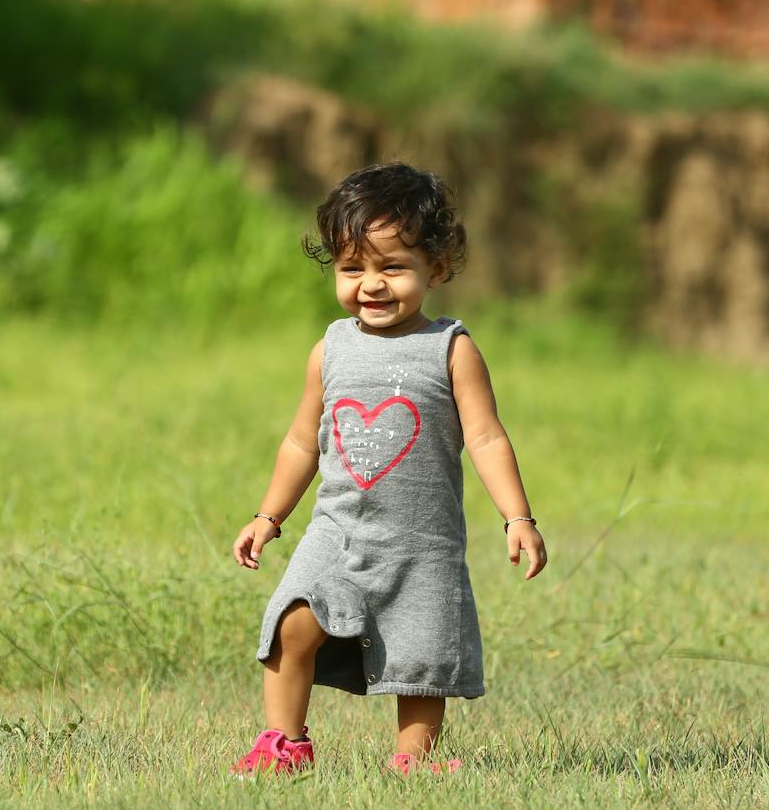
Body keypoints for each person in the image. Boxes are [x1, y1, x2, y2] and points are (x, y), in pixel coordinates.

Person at [229, 161, 547, 778]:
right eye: (352, 269)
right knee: (294, 620)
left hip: (421, 541)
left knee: (421, 654)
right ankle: (283, 743)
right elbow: (301, 443)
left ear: (438, 266)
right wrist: (269, 515)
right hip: (338, 530)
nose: (371, 285)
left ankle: (413, 760)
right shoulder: (331, 348)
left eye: (392, 267)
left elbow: (485, 437)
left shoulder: (451, 348)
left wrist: (518, 517)